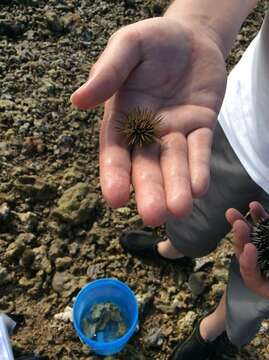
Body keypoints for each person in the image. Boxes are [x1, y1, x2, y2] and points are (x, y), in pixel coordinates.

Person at [71, 0, 269, 358]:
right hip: (240, 123)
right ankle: (175, 249)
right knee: (191, 207)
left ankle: (217, 328)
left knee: (258, 279)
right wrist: (200, 25)